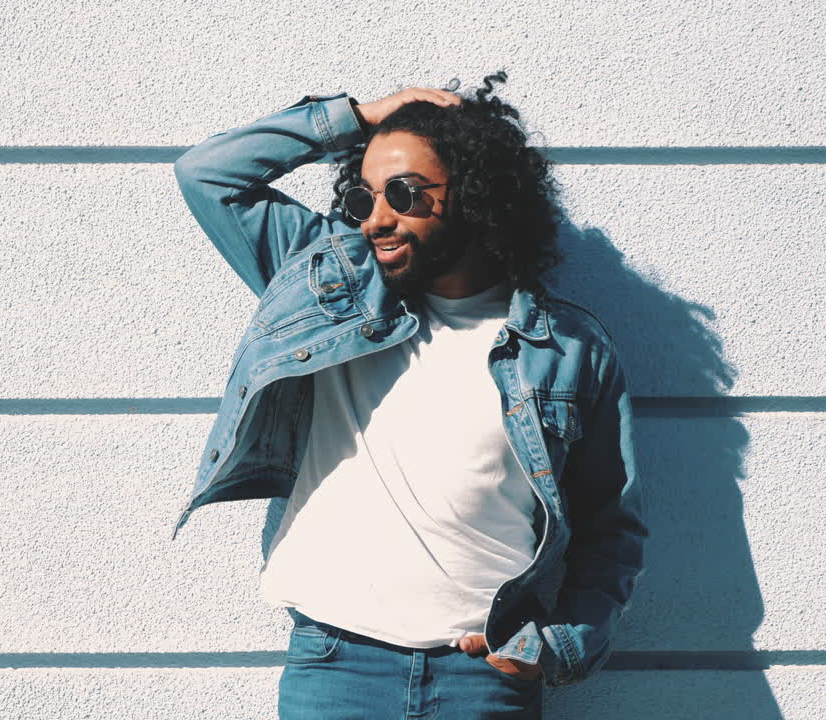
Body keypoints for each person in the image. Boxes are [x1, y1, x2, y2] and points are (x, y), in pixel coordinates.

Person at [171, 72, 645, 719]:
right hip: (337, 667)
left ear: (476, 194)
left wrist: (562, 646)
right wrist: (360, 116)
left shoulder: (566, 348)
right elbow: (207, 175)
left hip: (485, 676)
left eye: (404, 193)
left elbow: (608, 528)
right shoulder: (329, 291)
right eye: (365, 196)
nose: (377, 218)